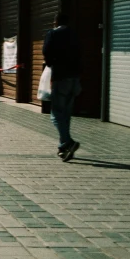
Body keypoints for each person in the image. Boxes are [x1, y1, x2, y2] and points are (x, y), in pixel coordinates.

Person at [43, 11, 82, 162]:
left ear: (56, 21)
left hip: (60, 77)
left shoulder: (53, 34)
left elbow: (46, 52)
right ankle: (63, 147)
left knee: (56, 113)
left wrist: (51, 65)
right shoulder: (74, 34)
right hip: (74, 77)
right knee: (66, 113)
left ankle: (68, 142)